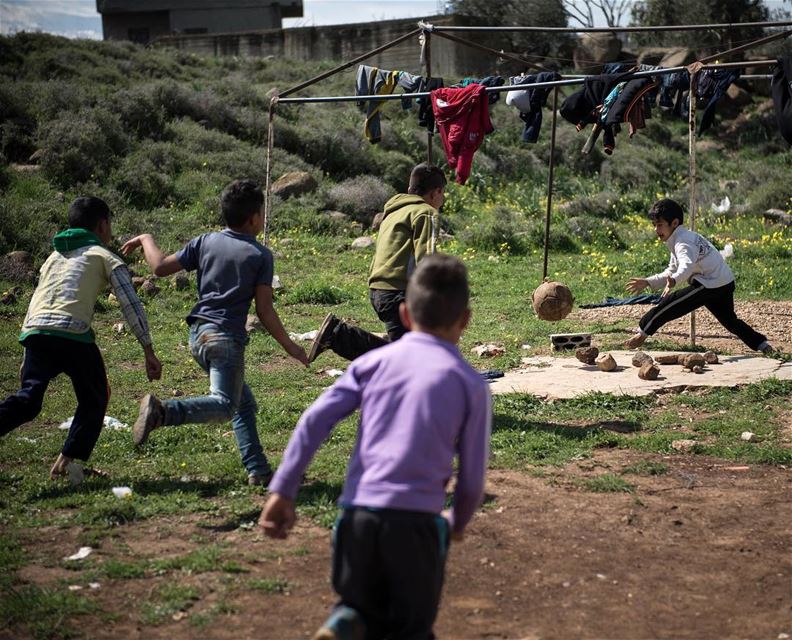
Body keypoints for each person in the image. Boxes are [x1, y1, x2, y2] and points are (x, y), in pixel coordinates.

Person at [260, 253, 491, 640]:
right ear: (465, 320)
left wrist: (283, 490)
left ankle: (348, 621)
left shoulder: (374, 363)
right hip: (416, 527)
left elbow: (316, 420)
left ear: (403, 315)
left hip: (356, 518)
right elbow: (471, 480)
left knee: (360, 606)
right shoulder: (470, 384)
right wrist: (457, 523)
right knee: (411, 629)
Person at [121, 179, 309, 486]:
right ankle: (162, 412)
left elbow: (159, 267)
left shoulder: (205, 241)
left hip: (197, 336)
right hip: (225, 340)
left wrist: (146, 238)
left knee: (243, 403)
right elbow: (264, 310)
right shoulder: (260, 255)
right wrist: (291, 347)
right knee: (224, 404)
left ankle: (259, 470)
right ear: (254, 218)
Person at [0, 196, 162, 479]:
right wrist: (148, 349)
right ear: (102, 226)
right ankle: (66, 464)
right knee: (95, 397)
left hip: (36, 332)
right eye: (109, 225)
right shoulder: (105, 257)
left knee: (29, 400)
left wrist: (28, 350)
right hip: (73, 334)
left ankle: (65, 464)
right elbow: (131, 304)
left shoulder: (53, 257)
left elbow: (39, 301)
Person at [308, 162, 447, 363]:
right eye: (443, 195)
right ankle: (339, 335)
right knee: (407, 360)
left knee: (407, 352)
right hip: (400, 293)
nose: (442, 200)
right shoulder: (425, 212)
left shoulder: (394, 211)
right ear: (436, 192)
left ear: (410, 189)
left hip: (379, 290)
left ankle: (338, 335)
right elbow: (427, 256)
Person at [625, 198, 774, 353]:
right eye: (654, 225)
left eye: (660, 224)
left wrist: (675, 280)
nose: (656, 229)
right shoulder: (682, 237)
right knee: (731, 321)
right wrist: (649, 282)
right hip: (724, 282)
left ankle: (641, 334)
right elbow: (672, 269)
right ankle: (763, 345)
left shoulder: (682, 243)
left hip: (709, 283)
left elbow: (686, 266)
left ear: (674, 223)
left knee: (669, 304)